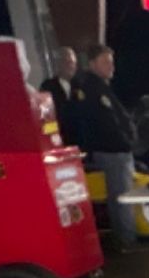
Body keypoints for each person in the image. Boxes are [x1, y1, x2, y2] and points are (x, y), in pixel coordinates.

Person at [74, 43, 138, 253]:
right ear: (92, 64)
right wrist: (126, 142)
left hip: (113, 150)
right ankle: (127, 240)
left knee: (117, 196)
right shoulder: (93, 90)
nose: (111, 66)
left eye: (111, 62)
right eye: (105, 62)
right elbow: (107, 124)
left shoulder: (101, 88)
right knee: (122, 197)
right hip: (113, 152)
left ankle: (124, 238)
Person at [40, 46, 81, 146]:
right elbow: (46, 116)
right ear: (58, 64)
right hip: (61, 141)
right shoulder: (48, 86)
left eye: (72, 62)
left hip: (82, 142)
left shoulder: (82, 85)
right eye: (65, 62)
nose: (69, 66)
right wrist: (53, 138)